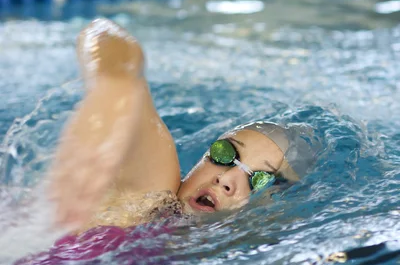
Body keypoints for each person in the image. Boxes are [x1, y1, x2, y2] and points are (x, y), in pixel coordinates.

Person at [48, 18, 315, 234]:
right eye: (224, 154)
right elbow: (103, 34)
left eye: (259, 179)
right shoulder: (153, 196)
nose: (225, 179)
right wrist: (114, 88)